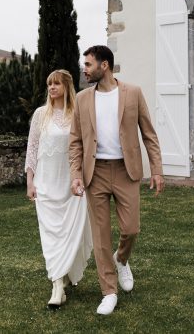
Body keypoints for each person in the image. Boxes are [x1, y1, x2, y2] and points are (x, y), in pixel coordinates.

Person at [69, 45, 164, 316]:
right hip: (94, 173)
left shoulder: (132, 93)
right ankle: (108, 292)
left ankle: (121, 259)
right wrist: (76, 175)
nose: (84, 69)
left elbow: (149, 134)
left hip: (126, 171)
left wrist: (156, 169)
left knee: (131, 228)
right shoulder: (82, 98)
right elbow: (75, 141)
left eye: (88, 64)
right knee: (100, 237)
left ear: (104, 66)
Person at [25, 69, 93, 309]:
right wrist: (30, 181)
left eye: (56, 84)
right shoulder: (40, 114)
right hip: (45, 184)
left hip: (71, 185)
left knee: (68, 233)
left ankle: (62, 278)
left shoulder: (77, 113)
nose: (51, 88)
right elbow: (32, 148)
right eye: (49, 84)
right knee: (50, 235)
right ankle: (57, 286)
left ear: (66, 86)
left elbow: (85, 148)